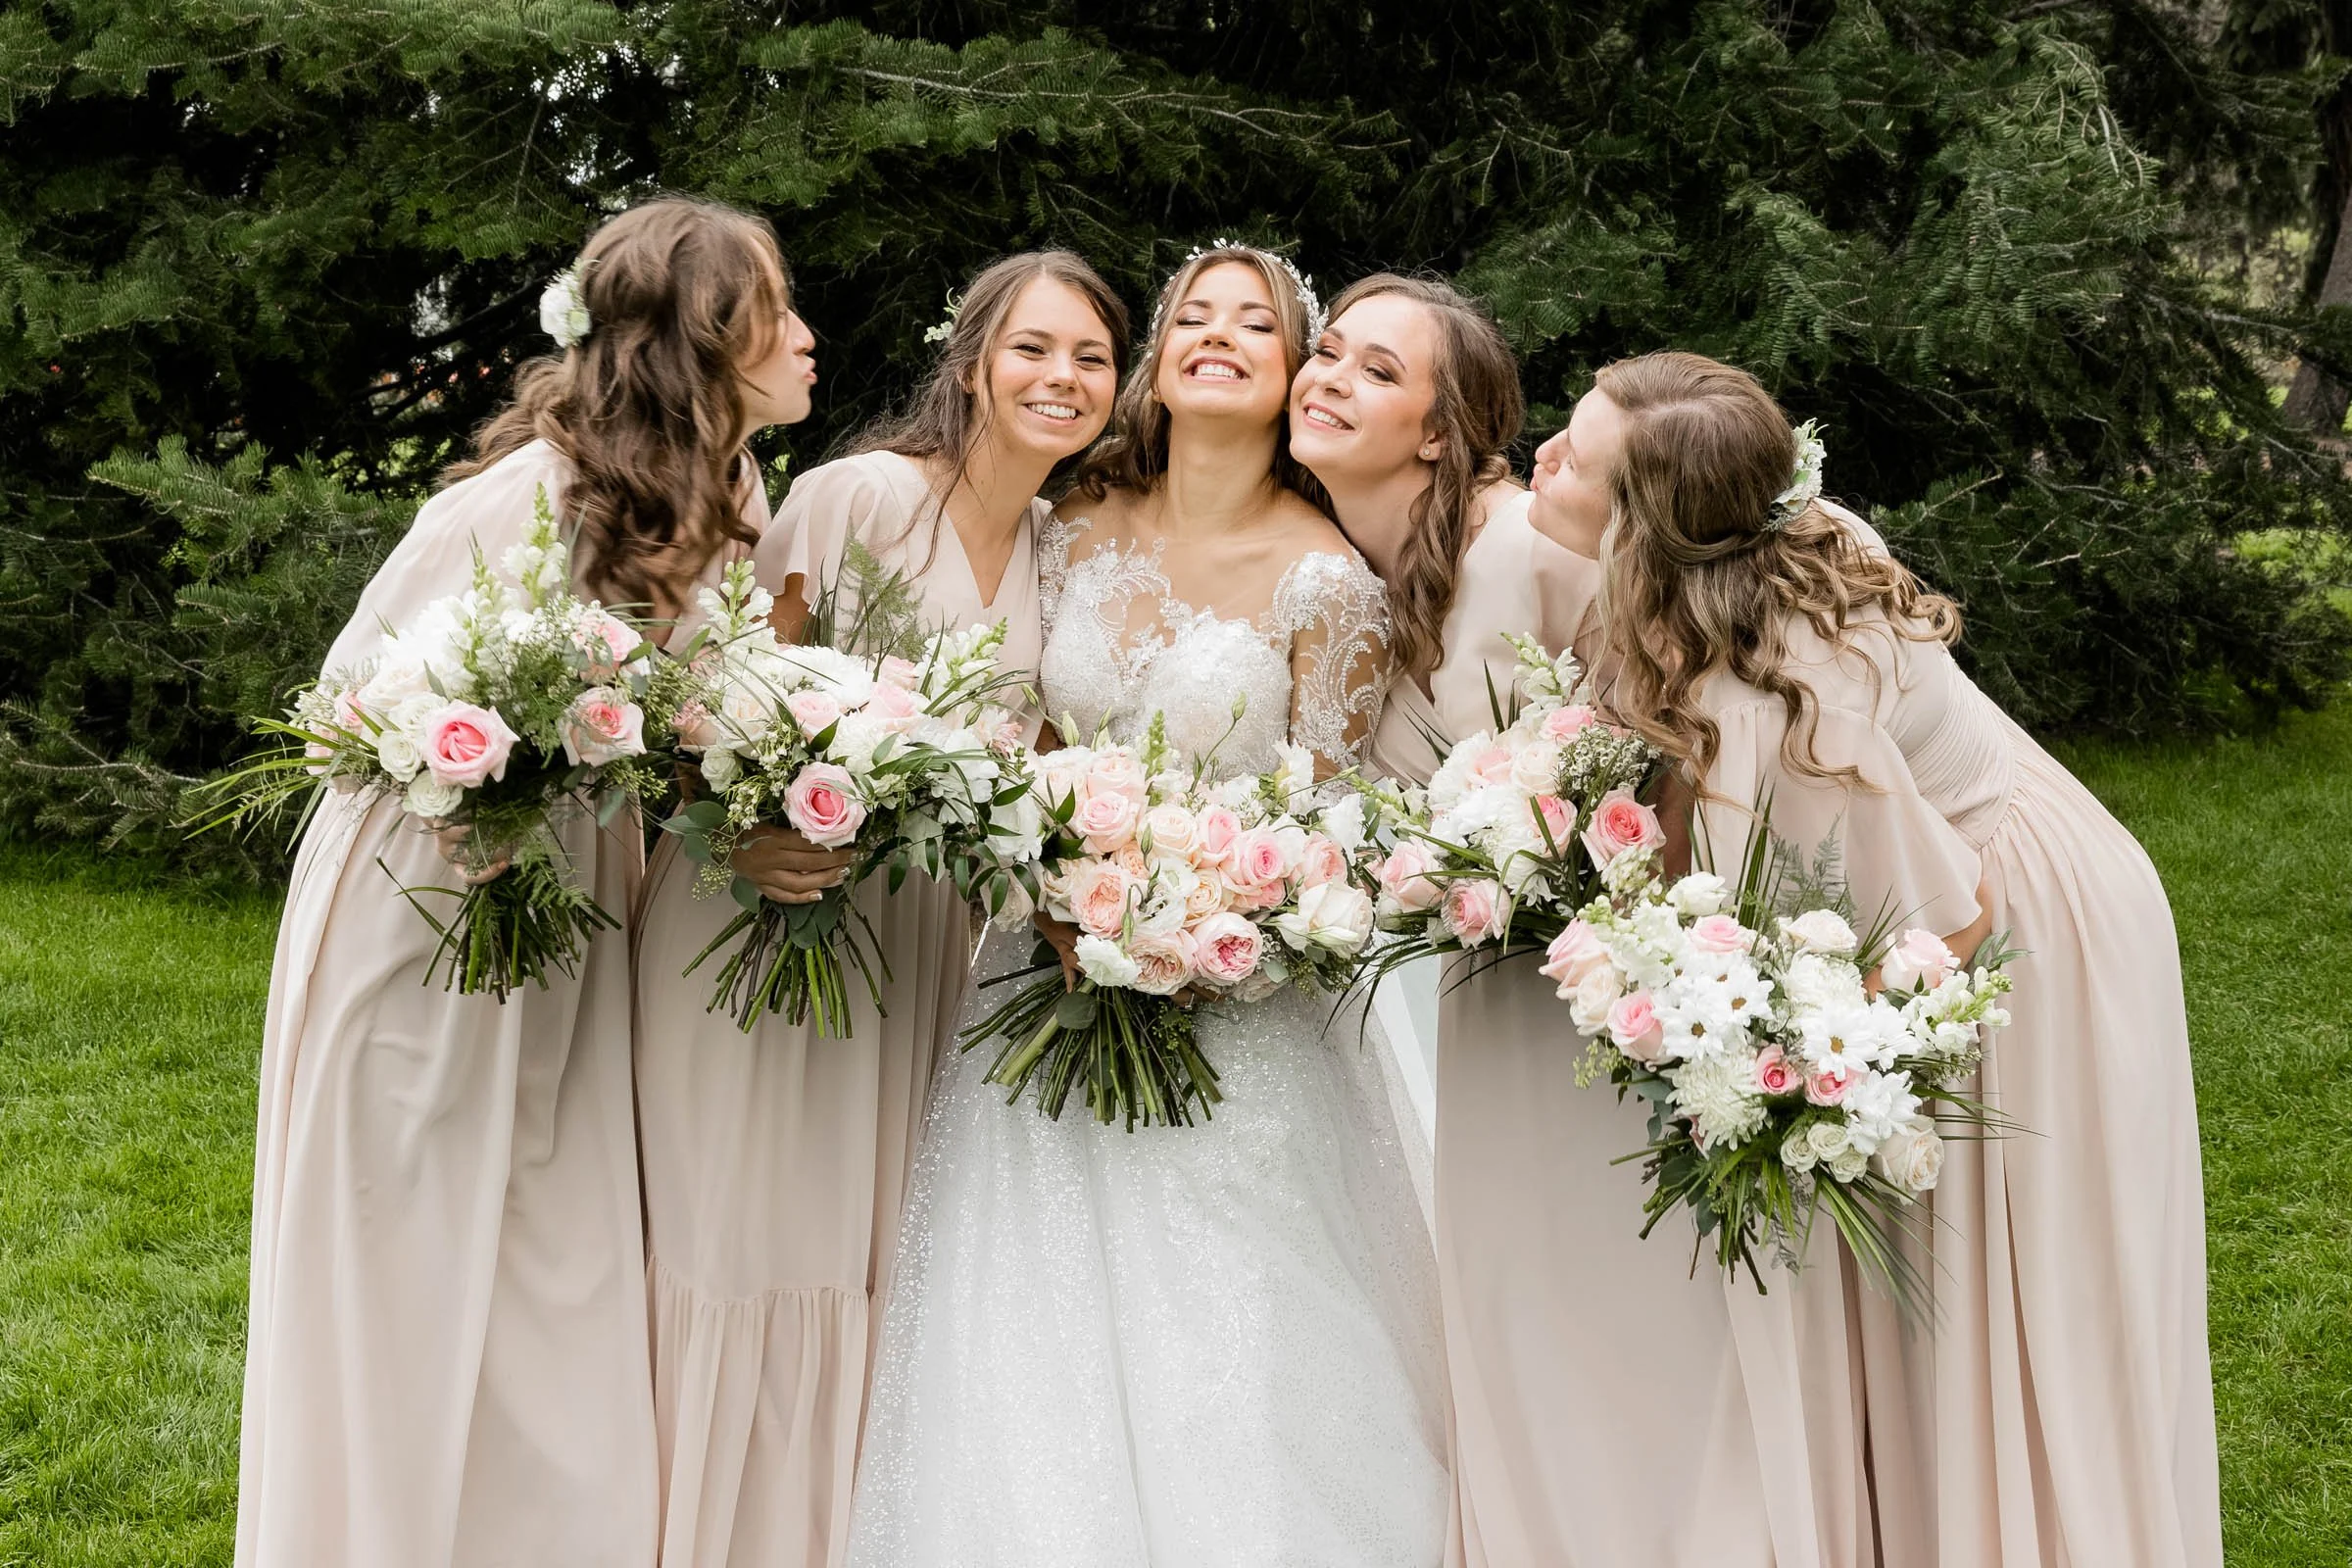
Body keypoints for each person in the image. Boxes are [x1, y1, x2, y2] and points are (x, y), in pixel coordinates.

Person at [1528, 348, 2223, 1568]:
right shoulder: (1772, 535)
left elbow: (1943, 926)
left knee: (2023, 1286)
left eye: (1572, 458)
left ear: (1641, 532)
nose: (1539, 458)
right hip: (2012, 858)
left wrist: (1793, 1055)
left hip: (2018, 930)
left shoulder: (1776, 700)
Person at [847, 244, 1447, 1568]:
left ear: (1290, 375)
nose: (1217, 336)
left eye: (1256, 325)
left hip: (1232, 1019)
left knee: (1225, 1351)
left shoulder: (1328, 583)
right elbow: (1016, 738)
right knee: (1023, 1338)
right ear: (1158, 362)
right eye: (1193, 317)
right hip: (1035, 980)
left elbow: (1329, 831)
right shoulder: (1067, 527)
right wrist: (1063, 883)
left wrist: (1193, 921)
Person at [235, 195, 811, 1568]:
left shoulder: (736, 494)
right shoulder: (521, 499)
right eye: (777, 310)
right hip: (427, 910)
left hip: (574, 906)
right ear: (701, 341)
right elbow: (344, 705)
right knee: (416, 1248)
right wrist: (479, 783)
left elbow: (688, 713)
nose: (806, 336)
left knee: (556, 1262)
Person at [635, 249, 1126, 1568]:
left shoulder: (1060, 549)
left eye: (1090, 357)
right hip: (757, 911)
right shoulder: (858, 497)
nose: (1062, 377)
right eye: (1033, 348)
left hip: (916, 944)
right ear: (971, 361)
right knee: (737, 1234)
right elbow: (713, 692)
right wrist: (747, 834)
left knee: (863, 1255)